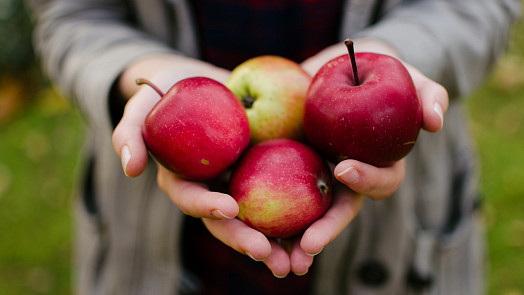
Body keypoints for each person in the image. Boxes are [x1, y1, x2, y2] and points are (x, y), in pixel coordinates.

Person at [27, 0, 520, 294]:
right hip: (160, 241)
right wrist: (140, 71)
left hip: (398, 236)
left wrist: (394, 54)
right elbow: (71, 14)